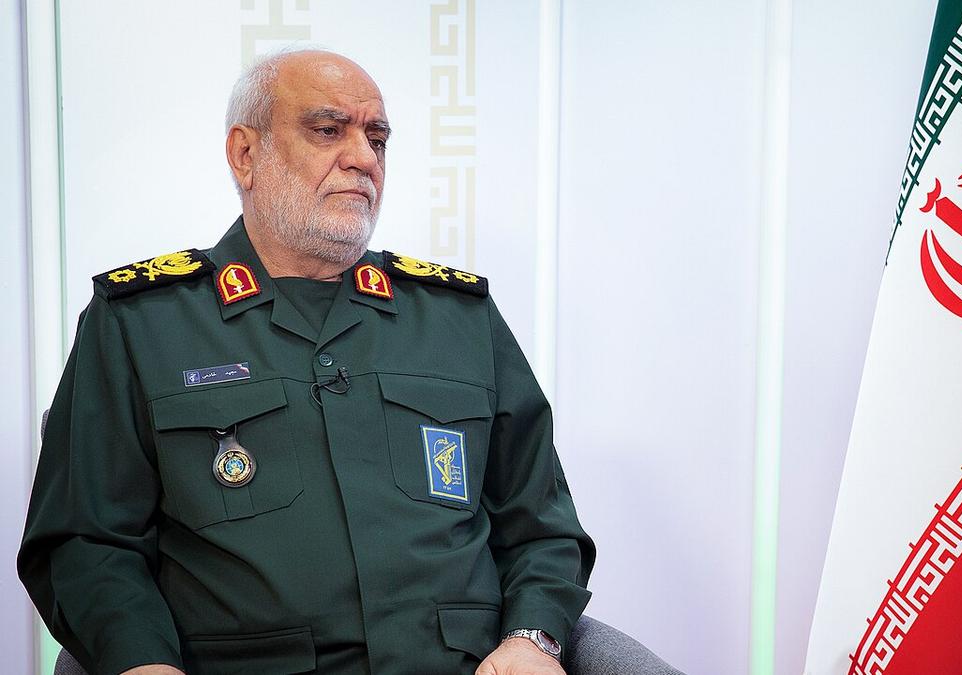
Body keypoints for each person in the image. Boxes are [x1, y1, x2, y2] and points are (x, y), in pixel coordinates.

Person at [17, 49, 595, 675]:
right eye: (328, 130)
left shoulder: (459, 319)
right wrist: (140, 662)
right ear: (245, 154)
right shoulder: (140, 323)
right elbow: (87, 542)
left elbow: (541, 527)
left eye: (377, 139)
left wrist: (533, 638)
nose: (364, 159)